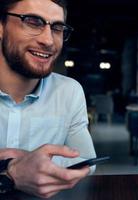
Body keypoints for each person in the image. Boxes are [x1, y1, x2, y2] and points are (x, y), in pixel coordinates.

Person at [0, 0, 96, 198]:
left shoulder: (69, 91)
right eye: (33, 22)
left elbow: (86, 161)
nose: (49, 40)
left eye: (57, 28)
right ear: (1, 27)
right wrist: (9, 172)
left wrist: (26, 164)